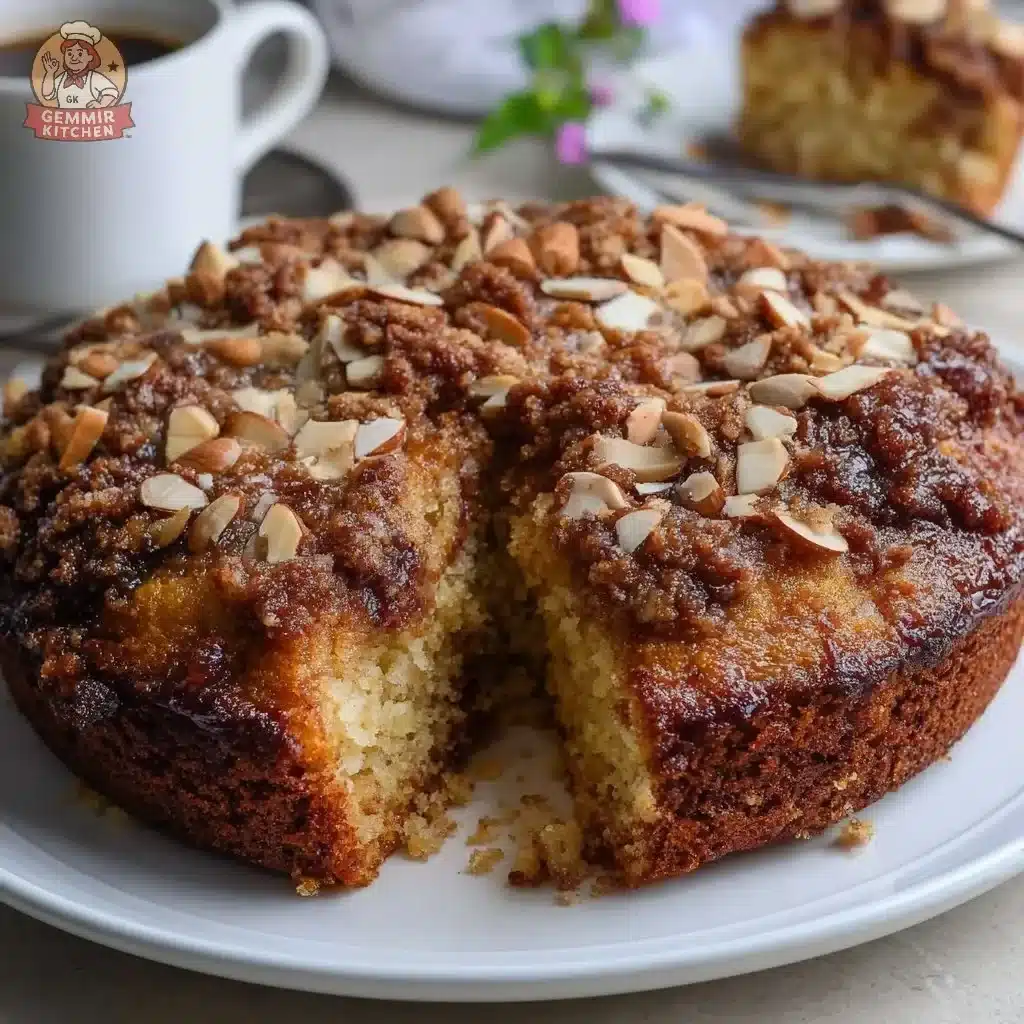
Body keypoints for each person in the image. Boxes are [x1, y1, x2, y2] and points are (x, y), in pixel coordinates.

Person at [39, 21, 119, 110]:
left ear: (90, 57)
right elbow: (47, 94)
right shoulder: (62, 78)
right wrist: (50, 73)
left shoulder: (93, 78)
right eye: (69, 54)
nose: (74, 58)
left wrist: (100, 104)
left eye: (80, 54)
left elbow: (111, 92)